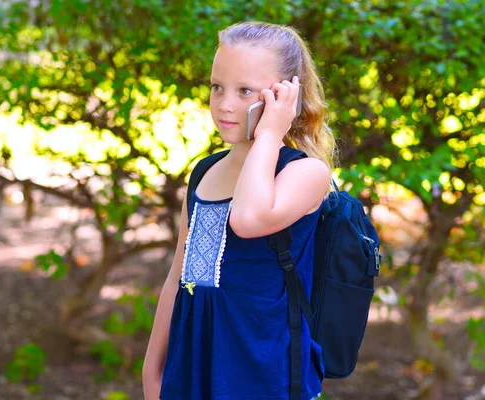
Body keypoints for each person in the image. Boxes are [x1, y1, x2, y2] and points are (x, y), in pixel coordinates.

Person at [143, 20, 338, 400]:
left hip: (260, 370)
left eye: (245, 90)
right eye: (217, 87)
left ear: (286, 96)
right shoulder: (204, 171)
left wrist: (268, 134)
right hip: (193, 365)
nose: (225, 104)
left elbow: (248, 220)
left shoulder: (305, 173)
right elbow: (176, 278)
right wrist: (153, 370)